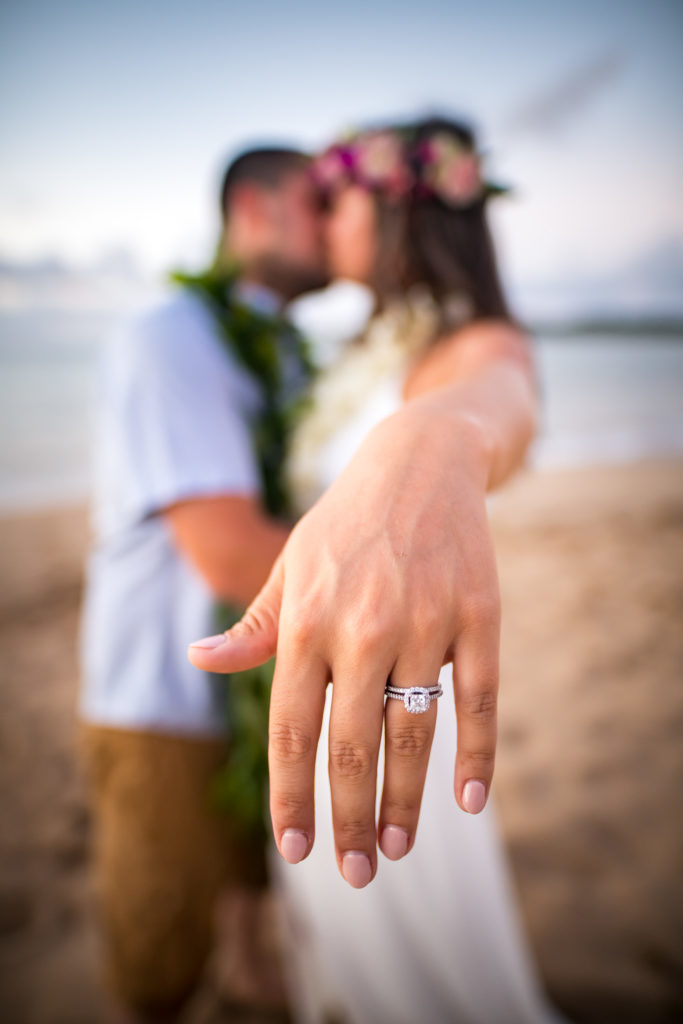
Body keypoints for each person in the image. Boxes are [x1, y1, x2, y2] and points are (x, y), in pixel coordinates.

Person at [189, 118, 567, 1023]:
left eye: (333, 198)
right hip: (320, 688)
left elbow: (501, 393)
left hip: (395, 700)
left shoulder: (466, 344)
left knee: (417, 957)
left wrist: (436, 437)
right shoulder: (364, 351)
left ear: (396, 209)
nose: (319, 220)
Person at [79, 146, 328, 1020]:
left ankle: (247, 978)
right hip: (165, 697)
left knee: (247, 897)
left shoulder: (286, 349)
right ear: (254, 212)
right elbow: (229, 555)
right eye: (318, 201)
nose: (335, 222)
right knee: (156, 951)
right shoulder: (171, 339)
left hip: (257, 692)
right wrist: (389, 575)